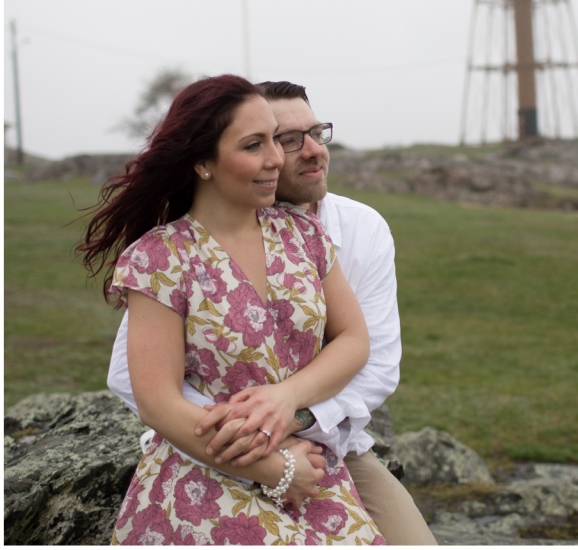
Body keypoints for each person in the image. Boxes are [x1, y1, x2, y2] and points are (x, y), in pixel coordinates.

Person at [108, 80, 438, 545]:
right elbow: (149, 392)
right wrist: (266, 454)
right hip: (209, 460)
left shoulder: (310, 233)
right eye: (265, 142)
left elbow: (364, 349)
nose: (286, 156)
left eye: (313, 133)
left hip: (325, 453)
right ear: (202, 162)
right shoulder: (161, 258)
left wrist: (288, 406)